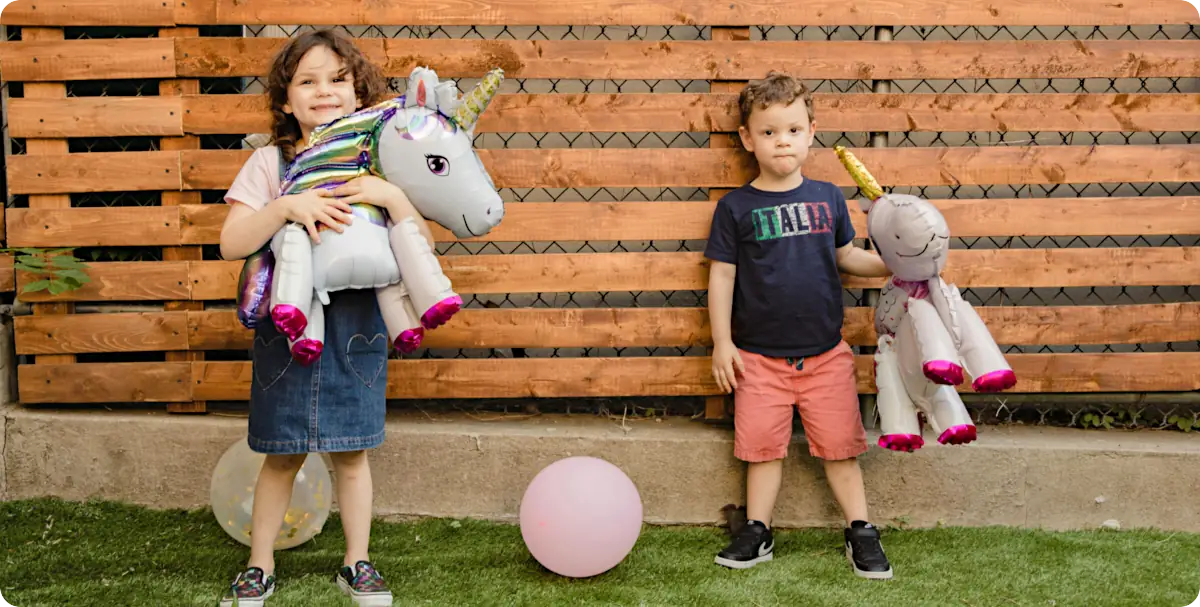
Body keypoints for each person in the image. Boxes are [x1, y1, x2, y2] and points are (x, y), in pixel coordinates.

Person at [218, 28, 432, 607]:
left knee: (352, 452)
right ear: (286, 100)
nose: (324, 92)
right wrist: (287, 206)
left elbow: (417, 236)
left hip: (357, 323)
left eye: (338, 80)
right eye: (306, 81)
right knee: (281, 453)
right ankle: (259, 564)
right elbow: (231, 242)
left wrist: (388, 196)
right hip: (286, 329)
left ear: (360, 94)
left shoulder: (380, 163)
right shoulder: (270, 162)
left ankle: (357, 562)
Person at [704, 71, 894, 579]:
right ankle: (758, 531)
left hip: (826, 356)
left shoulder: (829, 197)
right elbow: (722, 276)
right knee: (762, 451)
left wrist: (896, 263)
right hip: (759, 360)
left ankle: (861, 531)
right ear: (747, 138)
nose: (781, 140)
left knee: (840, 449)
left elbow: (848, 256)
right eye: (768, 131)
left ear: (812, 131)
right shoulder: (735, 207)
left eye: (792, 129)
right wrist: (722, 343)